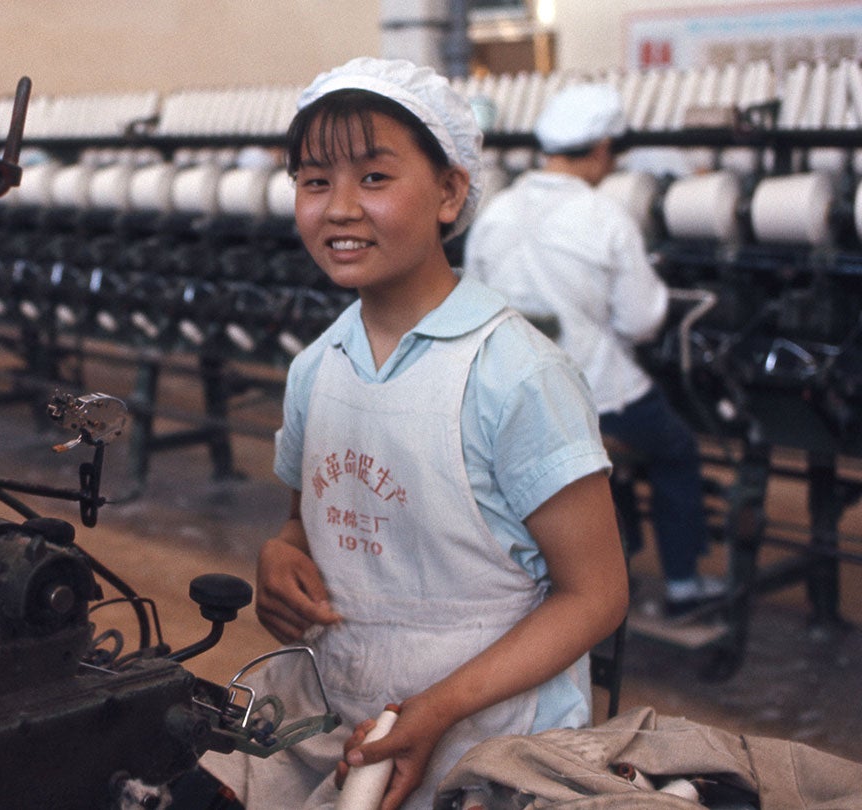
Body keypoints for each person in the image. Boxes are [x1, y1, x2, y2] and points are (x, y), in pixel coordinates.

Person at [196, 57, 629, 810]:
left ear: (451, 191)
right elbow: (309, 521)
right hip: (336, 718)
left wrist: (436, 708)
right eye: (313, 180)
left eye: (373, 178)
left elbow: (594, 594)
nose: (337, 208)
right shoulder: (317, 369)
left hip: (491, 738)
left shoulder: (515, 375)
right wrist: (282, 554)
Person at [462, 82, 725, 618]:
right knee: (677, 450)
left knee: (596, 463)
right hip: (599, 400)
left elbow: (477, 301)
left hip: (515, 398)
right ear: (603, 150)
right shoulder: (606, 218)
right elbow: (644, 320)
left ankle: (601, 561)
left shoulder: (495, 211)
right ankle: (682, 583)